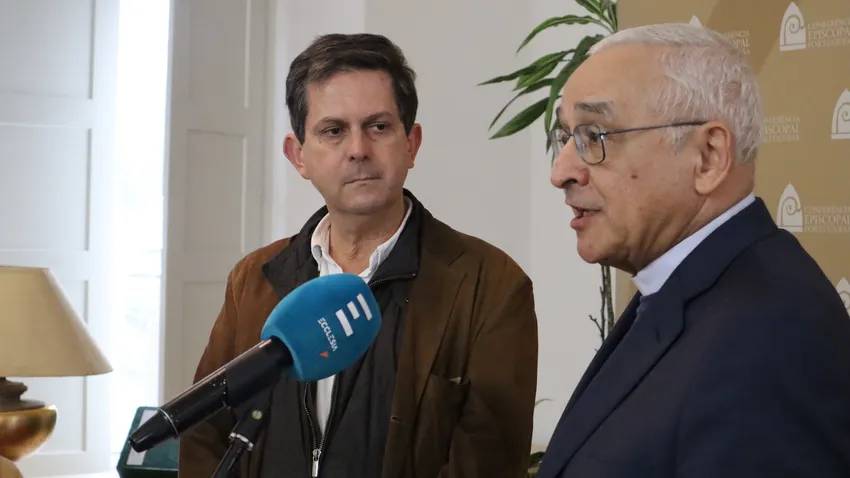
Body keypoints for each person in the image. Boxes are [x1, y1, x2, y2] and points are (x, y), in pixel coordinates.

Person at [177, 33, 539, 478]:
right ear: (298, 156)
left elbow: (488, 463)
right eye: (333, 131)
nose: (358, 150)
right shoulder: (253, 279)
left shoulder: (491, 285)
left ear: (412, 143)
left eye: (378, 127)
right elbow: (206, 436)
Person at [536, 23, 850, 478]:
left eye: (595, 135)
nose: (561, 171)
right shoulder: (683, 292)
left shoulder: (770, 336)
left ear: (708, 156)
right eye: (566, 137)